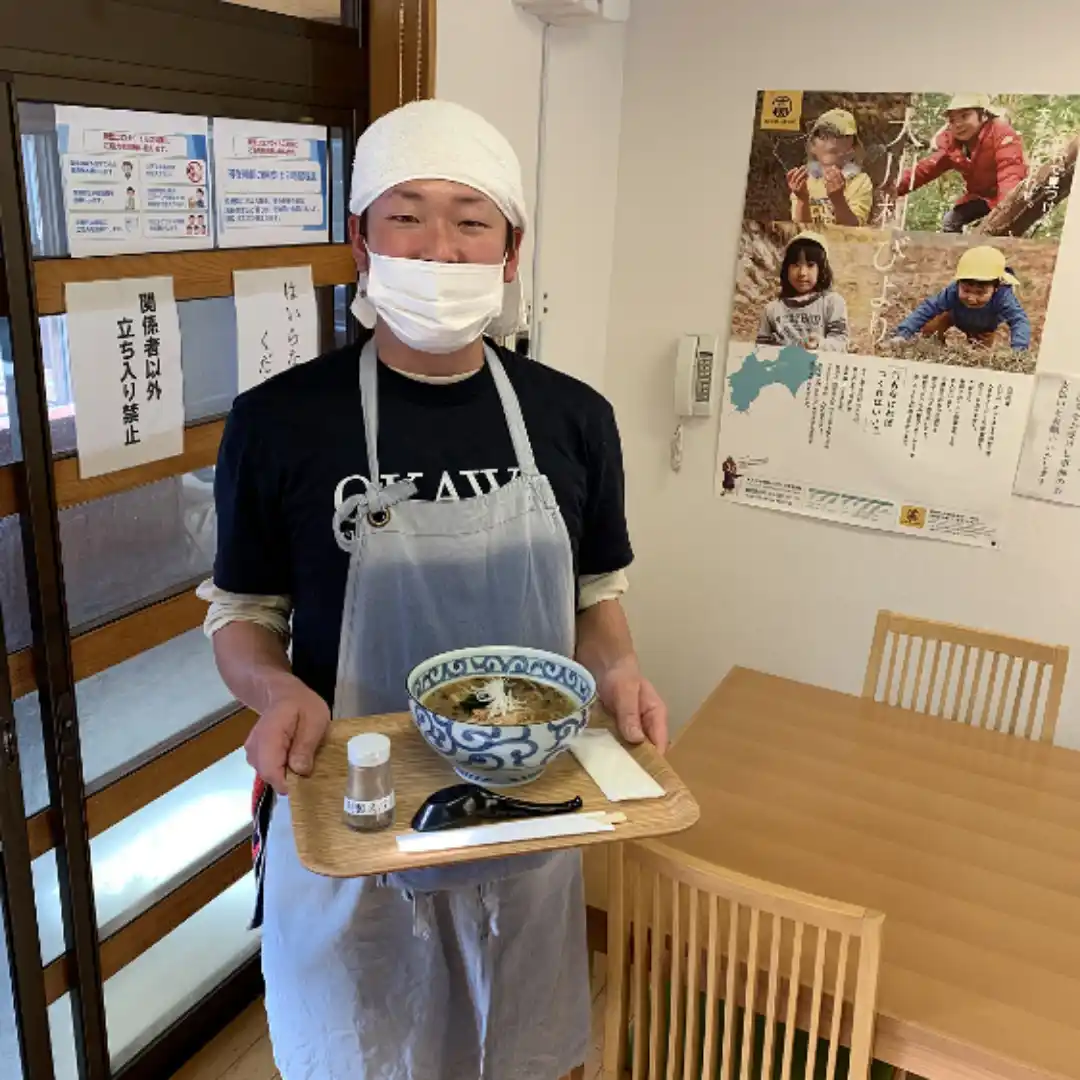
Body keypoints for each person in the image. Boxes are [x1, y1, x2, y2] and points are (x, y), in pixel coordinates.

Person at [198, 98, 668, 1080]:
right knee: (365, 1053)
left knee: (513, 1049)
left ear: (512, 250)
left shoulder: (574, 419)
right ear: (360, 240)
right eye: (406, 216)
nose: (439, 249)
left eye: (471, 220)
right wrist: (275, 690)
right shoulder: (279, 422)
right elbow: (244, 617)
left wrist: (619, 670)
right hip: (354, 819)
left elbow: (594, 596)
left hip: (526, 810)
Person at [897, 94, 1028, 233]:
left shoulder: (1001, 133)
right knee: (951, 221)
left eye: (965, 116)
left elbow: (1010, 172)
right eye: (952, 120)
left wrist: (1004, 211)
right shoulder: (953, 146)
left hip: (1011, 198)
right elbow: (925, 170)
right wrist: (891, 187)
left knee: (1002, 230)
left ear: (983, 115)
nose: (958, 124)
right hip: (981, 199)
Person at [891, 244, 1030, 351]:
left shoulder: (1003, 296)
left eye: (980, 293)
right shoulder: (952, 292)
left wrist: (1019, 349)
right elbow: (928, 307)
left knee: (979, 356)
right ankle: (938, 351)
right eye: (966, 290)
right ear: (958, 283)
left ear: (996, 287)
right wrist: (903, 333)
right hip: (954, 316)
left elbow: (1019, 320)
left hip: (984, 328)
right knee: (930, 328)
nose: (971, 298)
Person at [757, 232, 849, 352]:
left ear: (821, 269)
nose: (802, 273)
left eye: (810, 265)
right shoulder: (771, 310)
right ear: (786, 269)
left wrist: (819, 344)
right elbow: (760, 351)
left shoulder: (832, 303)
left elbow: (841, 343)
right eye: (796, 265)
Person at [787, 108, 873, 228]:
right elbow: (802, 229)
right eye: (823, 135)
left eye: (840, 135)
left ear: (852, 148)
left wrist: (838, 199)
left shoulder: (860, 181)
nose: (831, 141)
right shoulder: (803, 181)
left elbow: (853, 230)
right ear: (812, 146)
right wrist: (802, 199)